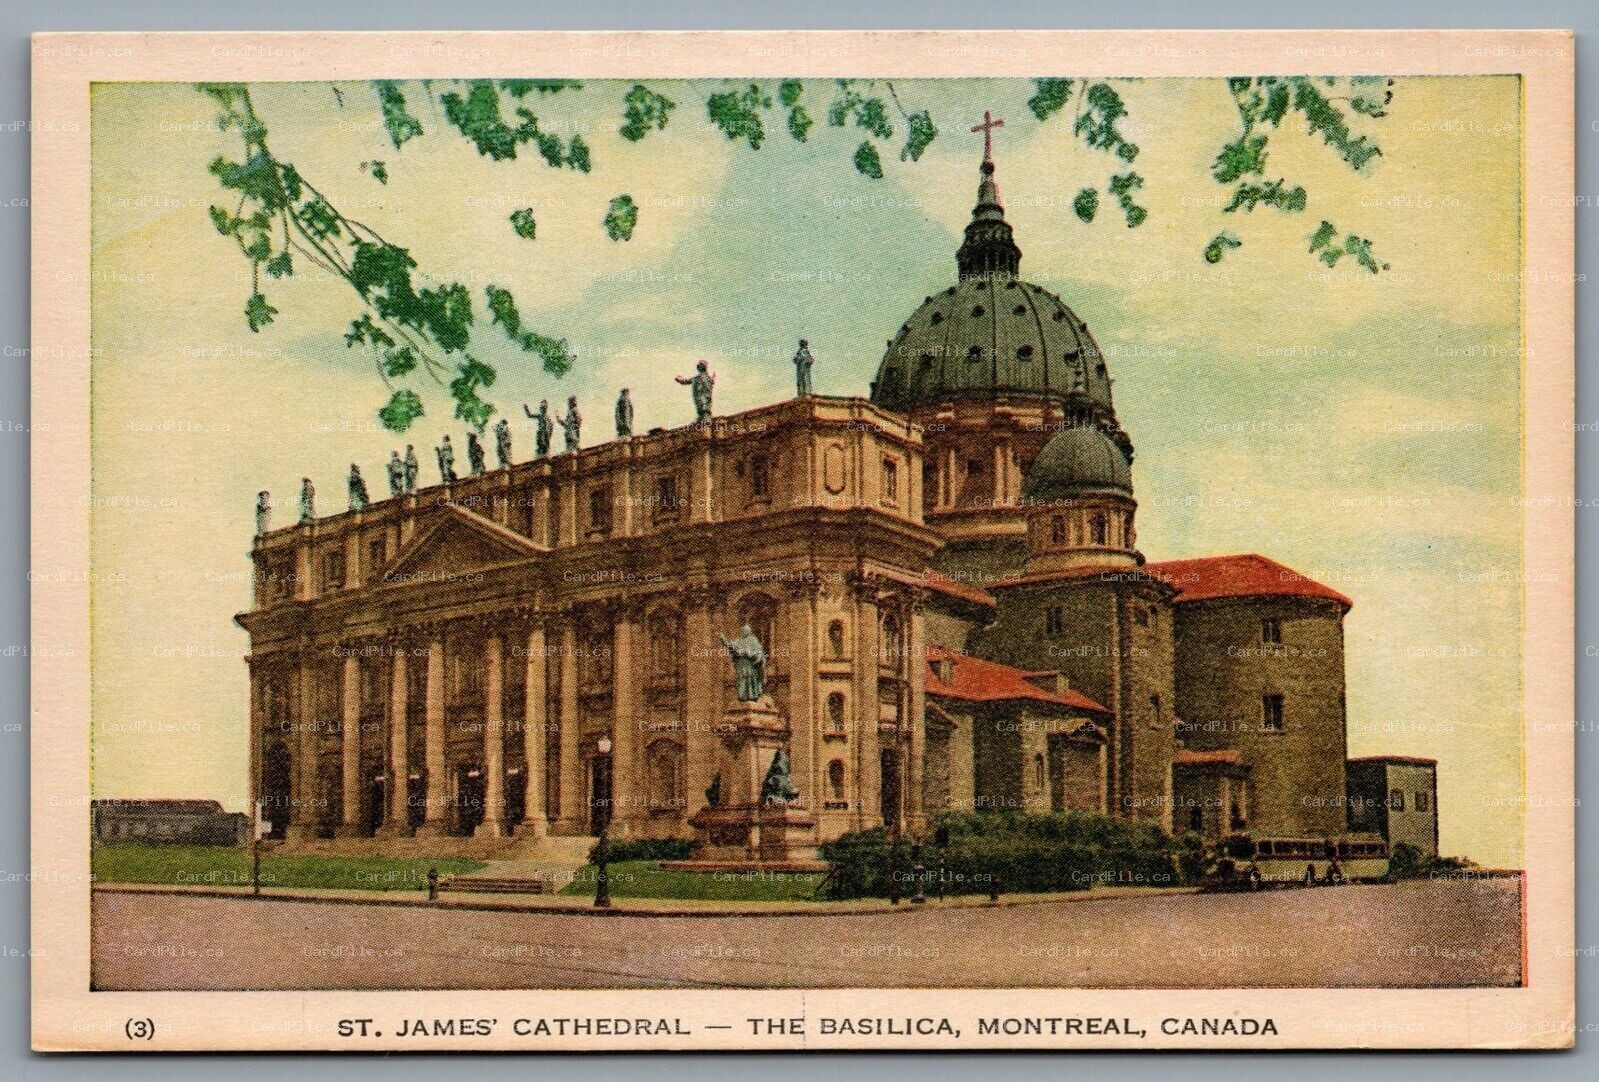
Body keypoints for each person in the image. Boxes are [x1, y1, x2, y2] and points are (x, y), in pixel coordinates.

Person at [718, 623, 766, 702]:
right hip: (741, 664)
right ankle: (742, 697)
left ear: (749, 631)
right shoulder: (738, 640)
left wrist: (749, 653)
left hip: (750, 665)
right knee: (741, 679)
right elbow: (731, 646)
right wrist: (723, 640)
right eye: (743, 630)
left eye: (745, 630)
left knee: (750, 679)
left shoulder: (753, 640)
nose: (744, 632)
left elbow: (759, 653)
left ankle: (751, 696)